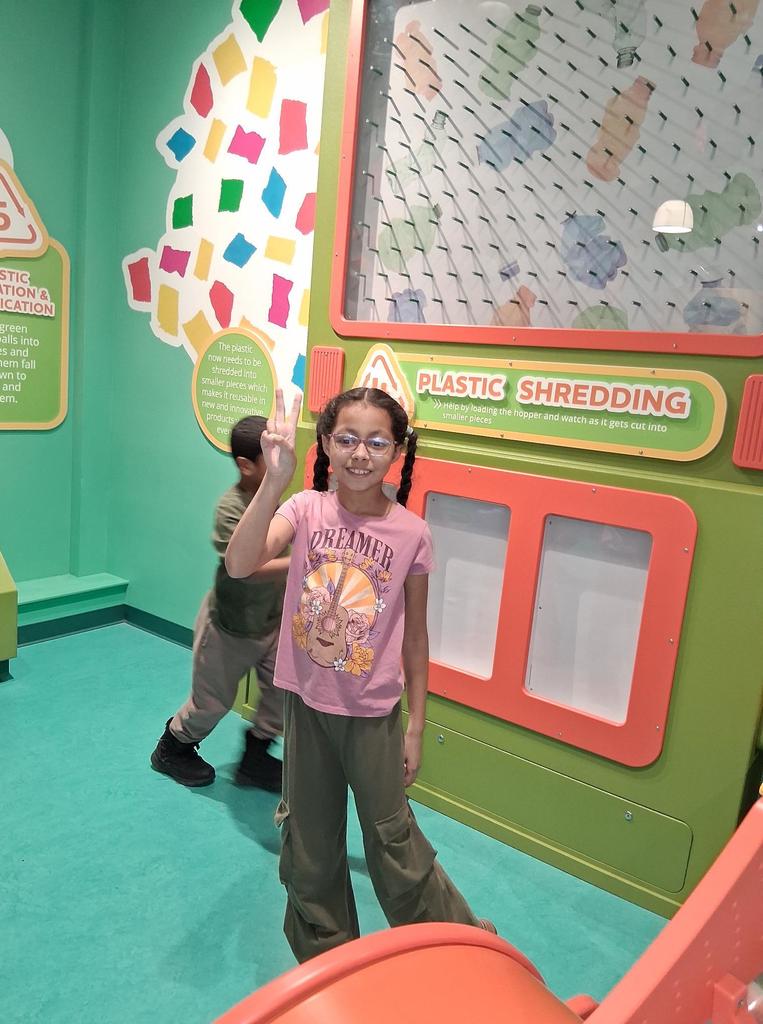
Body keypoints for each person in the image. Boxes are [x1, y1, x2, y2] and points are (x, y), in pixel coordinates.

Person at [225, 387, 494, 962]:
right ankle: (328, 956)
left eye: (377, 442)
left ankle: (457, 945)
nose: (360, 454)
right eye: (347, 439)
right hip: (306, 705)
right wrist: (274, 482)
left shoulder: (412, 533)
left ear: (397, 451)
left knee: (392, 840)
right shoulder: (304, 508)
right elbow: (240, 563)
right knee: (309, 841)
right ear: (326, 443)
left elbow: (415, 637)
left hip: (373, 715)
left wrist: (416, 727)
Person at [150, 416, 289, 791]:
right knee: (211, 703)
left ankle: (256, 757)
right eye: (272, 458)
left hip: (270, 622)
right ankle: (172, 748)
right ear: (246, 465)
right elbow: (245, 569)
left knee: (283, 692)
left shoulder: (277, 501)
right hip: (228, 627)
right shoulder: (231, 508)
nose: (282, 466)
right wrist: (302, 562)